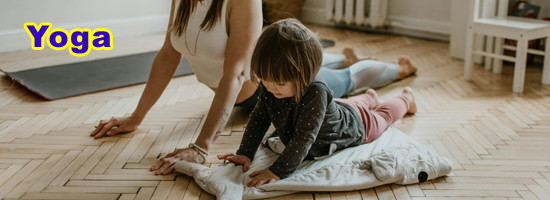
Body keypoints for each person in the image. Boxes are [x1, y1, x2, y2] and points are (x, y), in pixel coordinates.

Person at [89, 0, 417, 175]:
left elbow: (234, 75)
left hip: (269, 88)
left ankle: (397, 70)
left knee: (349, 80)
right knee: (314, 63)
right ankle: (343, 65)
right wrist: (136, 118)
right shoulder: (184, 0)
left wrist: (202, 147)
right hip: (277, 77)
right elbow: (166, 56)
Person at [217, 19, 417, 187]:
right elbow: (259, 118)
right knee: (345, 105)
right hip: (335, 109)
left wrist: (277, 171)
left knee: (383, 116)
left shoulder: (316, 91)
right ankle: (370, 97)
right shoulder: (272, 87)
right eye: (265, 81)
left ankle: (406, 99)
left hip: (354, 125)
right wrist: (245, 153)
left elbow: (304, 138)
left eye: (278, 83)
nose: (269, 88)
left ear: (304, 74)